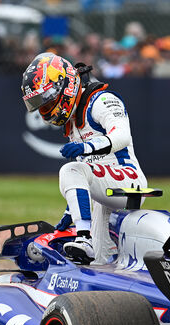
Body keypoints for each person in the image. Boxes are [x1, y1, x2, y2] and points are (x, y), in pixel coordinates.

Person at [20, 52, 147, 264]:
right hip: (104, 190)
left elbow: (122, 136)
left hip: (127, 178)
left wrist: (87, 147)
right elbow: (88, 170)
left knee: (70, 170)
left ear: (64, 85)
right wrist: (72, 210)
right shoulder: (73, 118)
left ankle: (83, 238)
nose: (44, 109)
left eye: (45, 100)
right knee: (99, 261)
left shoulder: (103, 100)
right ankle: (90, 249)